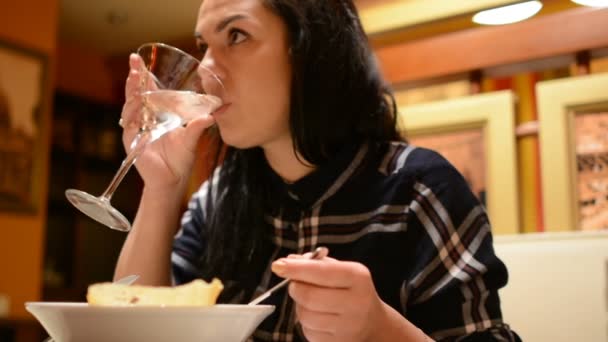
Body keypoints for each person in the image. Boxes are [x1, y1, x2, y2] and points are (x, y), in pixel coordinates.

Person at [115, 0, 521, 341]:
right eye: (205, 45)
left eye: (236, 36)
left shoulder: (419, 189)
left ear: (312, 50)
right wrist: (161, 189)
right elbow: (132, 330)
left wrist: (382, 330)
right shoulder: (219, 197)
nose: (205, 71)